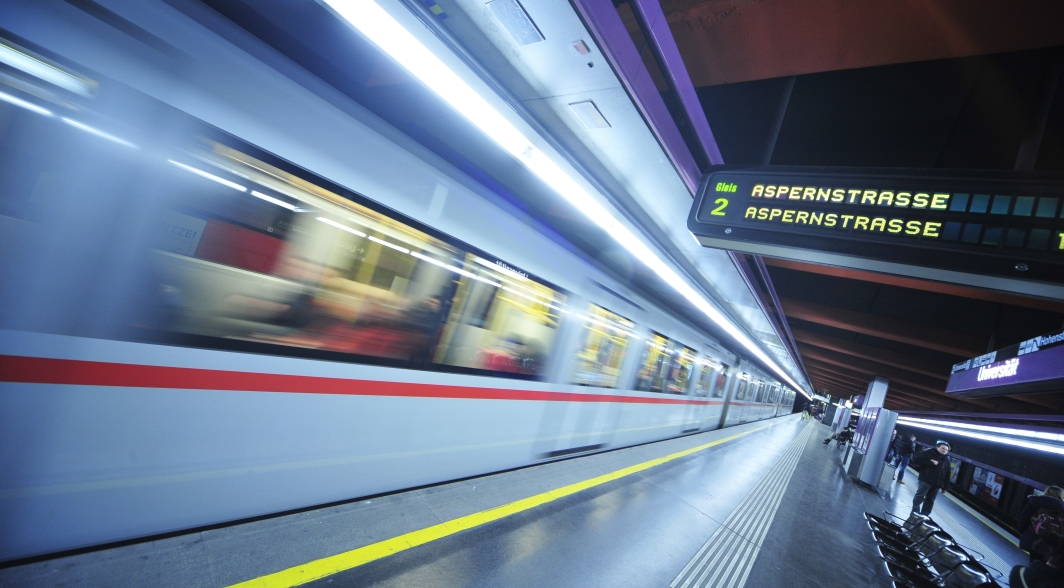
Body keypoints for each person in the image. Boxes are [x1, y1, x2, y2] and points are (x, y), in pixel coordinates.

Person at [1018, 486, 1064, 562]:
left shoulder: (1036, 502)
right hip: (1052, 545)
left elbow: (1023, 519)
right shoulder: (1062, 509)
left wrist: (1025, 533)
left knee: (1034, 561)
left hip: (1032, 540)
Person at [910, 440, 952, 516]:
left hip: (938, 483)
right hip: (926, 479)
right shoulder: (928, 453)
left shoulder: (946, 460)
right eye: (943, 448)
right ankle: (915, 511)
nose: (944, 451)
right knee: (920, 496)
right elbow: (915, 459)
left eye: (946, 450)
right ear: (937, 447)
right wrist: (930, 463)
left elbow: (947, 474)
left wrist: (945, 487)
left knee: (930, 499)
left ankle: (925, 515)